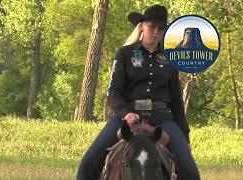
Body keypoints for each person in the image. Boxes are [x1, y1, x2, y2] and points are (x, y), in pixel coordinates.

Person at [76, 4, 201, 180]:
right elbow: (113, 92)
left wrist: (185, 137)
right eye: (152, 26)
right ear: (142, 25)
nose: (156, 32)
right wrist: (126, 113)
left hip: (163, 118)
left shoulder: (171, 60)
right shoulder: (124, 54)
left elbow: (176, 101)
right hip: (127, 117)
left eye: (160, 28)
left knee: (190, 171)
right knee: (88, 163)